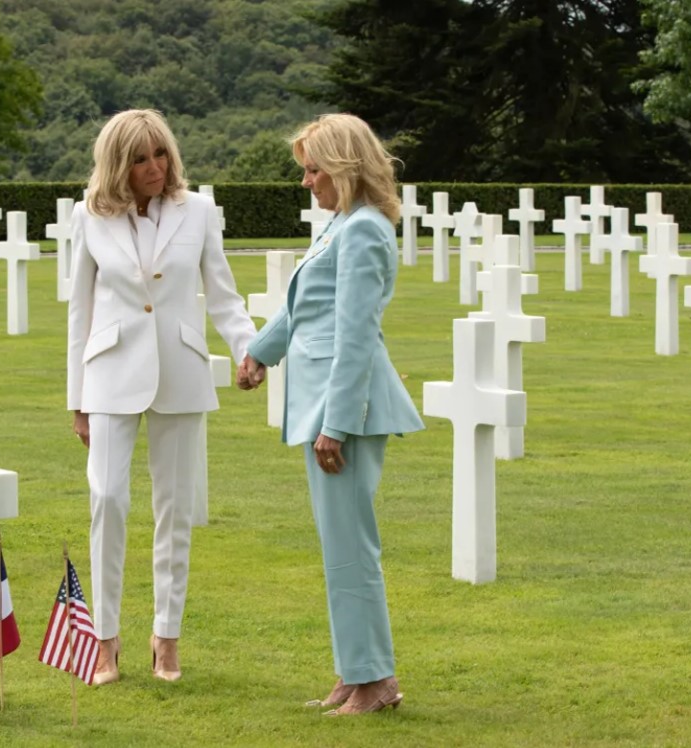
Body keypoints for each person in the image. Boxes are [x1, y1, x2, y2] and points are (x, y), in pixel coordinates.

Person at [238, 113, 425, 715]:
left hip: (346, 413)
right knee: (337, 544)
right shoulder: (340, 225)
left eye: (313, 169)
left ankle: (377, 682)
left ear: (344, 167)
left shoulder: (365, 230)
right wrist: (260, 353)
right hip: (321, 406)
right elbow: (305, 310)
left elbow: (356, 334)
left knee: (351, 547)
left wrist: (335, 425)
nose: (306, 180)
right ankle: (355, 671)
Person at [67, 109, 257, 685]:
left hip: (180, 368)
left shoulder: (196, 211)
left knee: (174, 508)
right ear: (117, 163)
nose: (154, 167)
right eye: (140, 158)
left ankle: (165, 638)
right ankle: (105, 641)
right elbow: (81, 308)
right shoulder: (88, 217)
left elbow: (221, 293)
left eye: (161, 154)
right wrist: (76, 398)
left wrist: (249, 347)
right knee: (108, 501)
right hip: (109, 374)